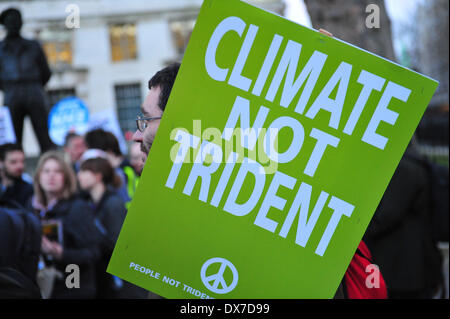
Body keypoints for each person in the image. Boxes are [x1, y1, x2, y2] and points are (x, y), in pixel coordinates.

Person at [364, 141, 444, 299]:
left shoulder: (405, 168)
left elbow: (384, 216)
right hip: (406, 269)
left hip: (403, 271)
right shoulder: (412, 164)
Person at [31, 151, 101, 298]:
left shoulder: (78, 208)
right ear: (38, 176)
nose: (51, 176)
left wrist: (61, 254)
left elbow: (93, 252)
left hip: (73, 285)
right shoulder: (31, 208)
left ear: (66, 177)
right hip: (42, 286)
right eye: (46, 171)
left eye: (57, 171)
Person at [77, 156, 148, 298]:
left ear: (98, 176)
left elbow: (117, 243)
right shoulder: (92, 203)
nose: (79, 175)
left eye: (84, 171)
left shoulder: (112, 204)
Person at [0, 8, 55, 153]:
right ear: (4, 25)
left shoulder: (33, 45)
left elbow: (46, 72)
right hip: (12, 93)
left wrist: (34, 85)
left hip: (34, 91)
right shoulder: (0, 48)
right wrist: (8, 87)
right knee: (13, 140)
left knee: (43, 134)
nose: (13, 25)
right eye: (10, 22)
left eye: (16, 22)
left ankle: (50, 163)